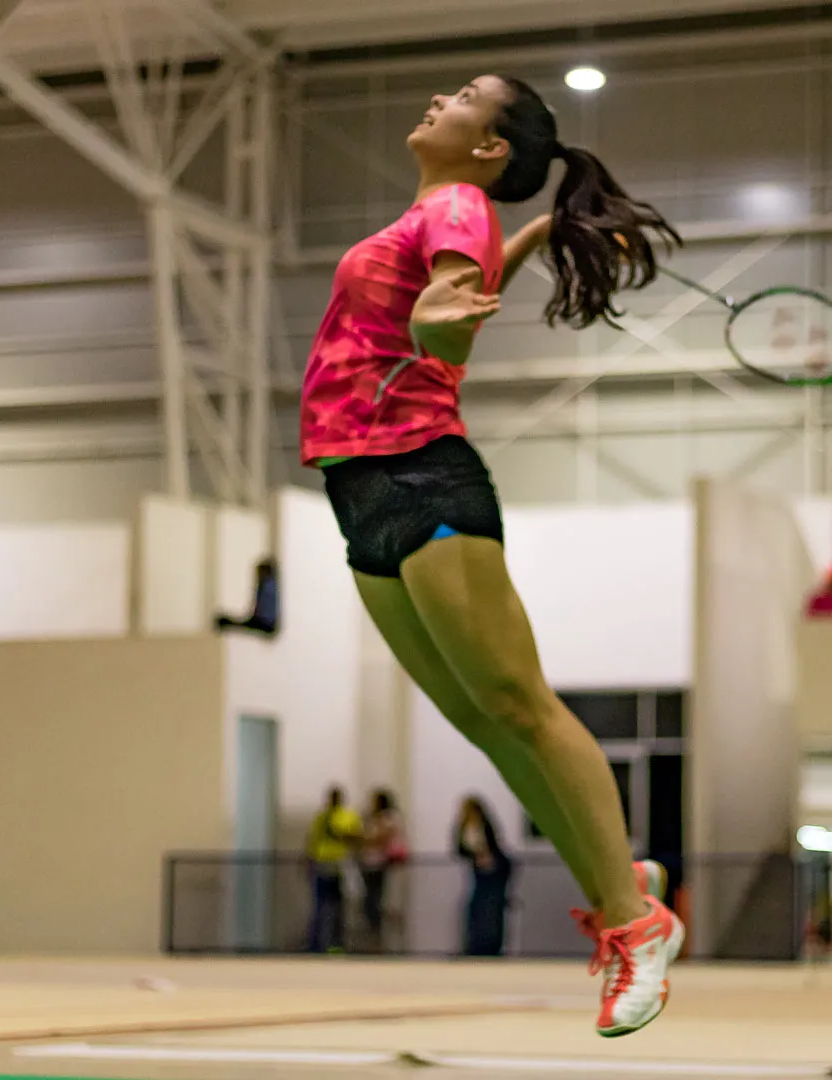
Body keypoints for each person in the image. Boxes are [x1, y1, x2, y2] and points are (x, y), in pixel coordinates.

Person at [297, 74, 682, 1035]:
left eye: (465, 95)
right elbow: (451, 284)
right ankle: (620, 875)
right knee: (482, 719)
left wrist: (442, 320)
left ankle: (636, 922)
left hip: (421, 475)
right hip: (361, 492)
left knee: (521, 705)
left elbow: (442, 317)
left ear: (489, 148)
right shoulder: (447, 213)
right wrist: (543, 236)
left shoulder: (457, 207)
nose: (437, 96)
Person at [303, 786, 363, 954]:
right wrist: (308, 860)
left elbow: (357, 837)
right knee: (319, 905)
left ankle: (337, 944)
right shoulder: (321, 817)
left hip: (340, 865)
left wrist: (340, 833)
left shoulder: (348, 816)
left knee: (339, 907)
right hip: (322, 863)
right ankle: (315, 944)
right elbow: (312, 839)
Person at [454, 796, 513, 957]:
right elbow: (460, 849)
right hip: (479, 871)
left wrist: (487, 857)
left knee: (492, 908)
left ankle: (492, 945)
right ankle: (476, 943)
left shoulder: (485, 826)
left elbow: (494, 846)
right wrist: (475, 856)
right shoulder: (464, 828)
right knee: (476, 907)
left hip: (494, 871)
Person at [357, 788, 407, 948]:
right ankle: (372, 934)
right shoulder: (370, 818)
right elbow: (364, 838)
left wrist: (371, 839)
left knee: (381, 900)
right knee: (369, 901)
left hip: (383, 864)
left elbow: (382, 838)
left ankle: (385, 938)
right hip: (368, 864)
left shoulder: (389, 817)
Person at [215, 558, 279, 636]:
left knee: (223, 620)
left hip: (265, 623)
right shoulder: (268, 585)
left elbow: (263, 612)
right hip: (262, 621)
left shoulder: (268, 586)